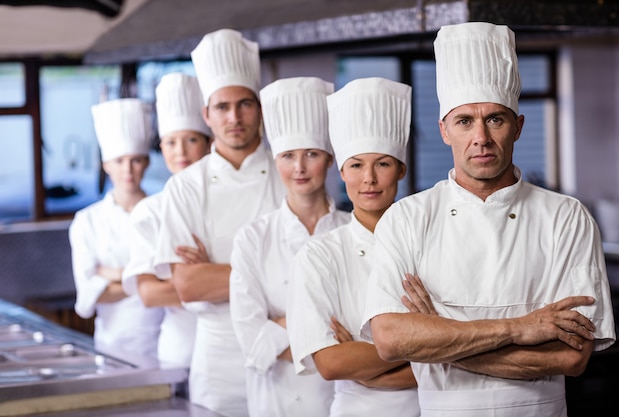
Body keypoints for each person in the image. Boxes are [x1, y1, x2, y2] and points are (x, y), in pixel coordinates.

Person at [361, 21, 616, 417]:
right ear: (445, 130)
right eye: (465, 121)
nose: (481, 136)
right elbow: (391, 341)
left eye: (495, 119)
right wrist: (520, 328)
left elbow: (571, 358)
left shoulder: (566, 217)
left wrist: (438, 338)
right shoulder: (407, 218)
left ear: (518, 127)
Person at [153, 29, 285, 416]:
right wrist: (275, 272)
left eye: (245, 104)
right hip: (218, 360)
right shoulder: (184, 187)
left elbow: (311, 275)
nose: (234, 117)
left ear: (259, 108)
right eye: (222, 107)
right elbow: (190, 285)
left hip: (286, 347)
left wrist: (217, 271)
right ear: (206, 114)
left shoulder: (289, 173)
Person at [286, 77, 420, 417]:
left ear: (401, 169)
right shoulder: (318, 256)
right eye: (357, 165)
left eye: (383, 164)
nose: (369, 179)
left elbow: (463, 345)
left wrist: (367, 358)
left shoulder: (428, 241)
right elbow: (331, 363)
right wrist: (428, 345)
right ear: (342, 171)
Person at [229, 76, 350, 417]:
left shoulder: (353, 231)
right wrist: (330, 330)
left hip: (345, 398)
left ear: (329, 159)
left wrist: (282, 324)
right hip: (277, 401)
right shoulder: (253, 239)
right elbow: (254, 344)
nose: (298, 168)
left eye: (311, 154)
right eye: (287, 156)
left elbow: (370, 335)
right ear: (275, 161)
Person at [121, 72, 211, 371]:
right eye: (170, 142)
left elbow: (263, 285)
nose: (181, 152)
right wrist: (210, 279)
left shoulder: (229, 201)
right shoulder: (150, 211)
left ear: (210, 143)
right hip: (180, 352)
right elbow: (149, 294)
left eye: (191, 140)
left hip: (234, 353)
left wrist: (183, 280)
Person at [69, 98, 163, 366]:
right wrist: (148, 279)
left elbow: (177, 281)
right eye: (119, 161)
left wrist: (114, 274)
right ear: (105, 164)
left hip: (163, 341)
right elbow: (88, 293)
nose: (127, 170)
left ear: (146, 163)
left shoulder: (164, 210)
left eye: (135, 160)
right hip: (112, 345)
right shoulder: (87, 221)